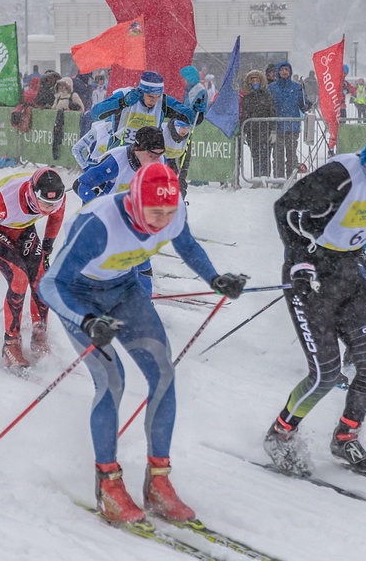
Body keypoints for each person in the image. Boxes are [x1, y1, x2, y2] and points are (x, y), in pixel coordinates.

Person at [38, 164, 246, 524]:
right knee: (112, 378)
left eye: (169, 212)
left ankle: (158, 483)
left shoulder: (172, 210)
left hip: (125, 291)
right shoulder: (100, 224)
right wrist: (85, 321)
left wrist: (215, 278)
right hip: (79, 297)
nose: (163, 221)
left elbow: (187, 244)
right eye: (156, 213)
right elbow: (50, 284)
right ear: (135, 202)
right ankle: (108, 483)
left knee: (163, 373)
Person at [262, 119, 366, 477]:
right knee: (325, 373)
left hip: (349, 271)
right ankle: (279, 434)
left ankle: (345, 436)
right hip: (312, 274)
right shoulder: (341, 174)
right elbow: (284, 209)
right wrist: (300, 260)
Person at [0, 167, 66, 371]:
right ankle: (11, 344)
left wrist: (46, 251)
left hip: (22, 228)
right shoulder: (5, 202)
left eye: (53, 204)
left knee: (41, 280)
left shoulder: (56, 196)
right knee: (19, 279)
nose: (49, 209)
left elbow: (56, 218)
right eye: (45, 203)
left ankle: (39, 338)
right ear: (32, 192)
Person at [74, 126, 168, 295]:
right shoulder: (116, 161)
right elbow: (80, 185)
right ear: (138, 148)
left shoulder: (160, 161)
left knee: (142, 261)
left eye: (159, 155)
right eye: (151, 155)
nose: (156, 160)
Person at [91, 71, 190, 152]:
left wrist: (198, 111)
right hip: (120, 154)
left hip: (147, 156)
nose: (154, 101)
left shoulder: (163, 101)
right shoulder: (126, 94)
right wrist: (123, 102)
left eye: (157, 97)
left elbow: (189, 117)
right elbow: (95, 113)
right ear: (142, 92)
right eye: (150, 96)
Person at [267, 62, 311, 178]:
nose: (284, 72)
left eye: (286, 69)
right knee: (278, 155)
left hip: (292, 127)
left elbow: (304, 105)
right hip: (277, 128)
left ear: (290, 72)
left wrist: (304, 95)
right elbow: (267, 105)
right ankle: (279, 178)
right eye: (282, 70)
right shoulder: (272, 88)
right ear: (278, 72)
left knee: (291, 155)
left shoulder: (296, 87)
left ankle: (291, 178)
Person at [240, 69, 276, 179]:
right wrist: (244, 131)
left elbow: (272, 112)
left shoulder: (267, 96)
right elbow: (245, 114)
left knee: (265, 156)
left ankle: (265, 178)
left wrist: (273, 130)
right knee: (255, 157)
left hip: (265, 130)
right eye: (253, 80)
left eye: (257, 80)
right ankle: (256, 178)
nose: (255, 82)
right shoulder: (247, 97)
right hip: (252, 131)